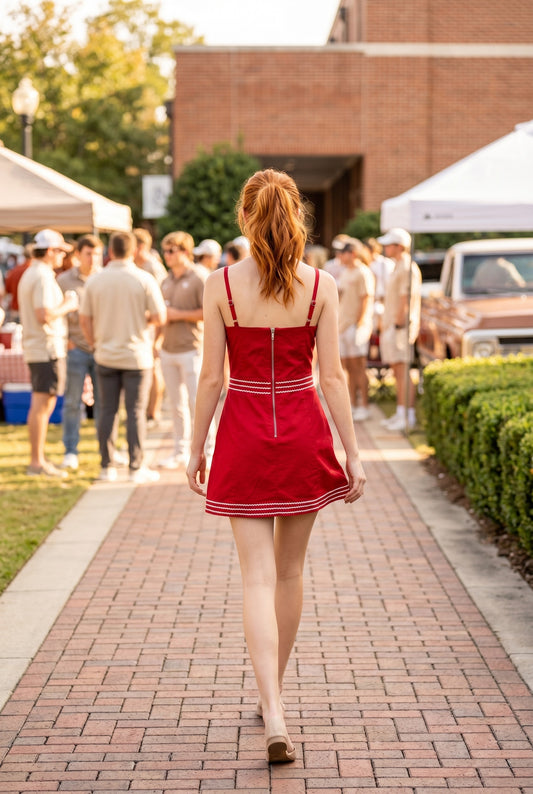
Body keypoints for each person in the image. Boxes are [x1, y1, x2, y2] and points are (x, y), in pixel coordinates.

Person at [186, 169, 366, 764]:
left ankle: (274, 708)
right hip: (302, 431)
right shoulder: (321, 285)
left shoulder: (221, 285)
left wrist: (195, 447)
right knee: (289, 575)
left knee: (256, 577)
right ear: (297, 216)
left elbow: (211, 376)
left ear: (245, 217)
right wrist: (352, 451)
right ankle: (275, 703)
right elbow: (333, 377)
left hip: (241, 430)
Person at [79, 231, 167, 483]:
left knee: (106, 410)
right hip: (136, 355)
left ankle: (106, 466)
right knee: (136, 411)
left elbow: (84, 318)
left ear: (110, 251)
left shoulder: (95, 280)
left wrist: (94, 342)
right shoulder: (143, 278)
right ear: (133, 251)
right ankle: (135, 467)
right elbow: (160, 317)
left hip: (106, 353)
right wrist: (143, 319)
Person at [18, 229, 79, 477]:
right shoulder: (42, 275)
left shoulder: (33, 272)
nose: (63, 256)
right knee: (43, 404)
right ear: (51, 250)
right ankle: (37, 462)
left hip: (40, 347)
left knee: (42, 404)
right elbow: (44, 315)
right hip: (45, 348)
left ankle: (38, 458)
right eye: (61, 251)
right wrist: (68, 304)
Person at [157, 231, 215, 468]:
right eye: (165, 251)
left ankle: (209, 451)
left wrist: (177, 315)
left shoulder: (200, 277)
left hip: (192, 348)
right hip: (168, 348)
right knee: (175, 404)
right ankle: (180, 450)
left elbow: (210, 312)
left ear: (185, 252)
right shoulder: (165, 279)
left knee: (198, 402)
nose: (167, 255)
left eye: (172, 251)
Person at [57, 235, 103, 470]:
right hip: (76, 348)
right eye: (88, 253)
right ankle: (70, 450)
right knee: (73, 402)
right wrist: (66, 340)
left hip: (102, 349)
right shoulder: (63, 280)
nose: (93, 258)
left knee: (105, 403)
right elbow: (57, 312)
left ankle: (106, 450)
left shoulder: (106, 278)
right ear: (78, 255)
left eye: (96, 253)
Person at [377, 227, 422, 431]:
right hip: (394, 326)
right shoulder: (399, 265)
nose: (385, 247)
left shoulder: (406, 267)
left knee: (403, 370)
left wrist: (397, 324)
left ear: (399, 246)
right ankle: (401, 411)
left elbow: (405, 299)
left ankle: (407, 416)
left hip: (400, 327)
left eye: (389, 244)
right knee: (397, 370)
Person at [133, 227, 167, 427]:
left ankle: (154, 412)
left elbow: (162, 303)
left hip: (154, 325)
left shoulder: (153, 268)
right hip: (140, 326)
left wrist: (160, 337)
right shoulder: (137, 265)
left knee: (154, 368)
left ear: (141, 246)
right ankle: (147, 410)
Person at [338, 239, 375, 421]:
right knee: (349, 368)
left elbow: (365, 299)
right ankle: (352, 404)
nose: (340, 256)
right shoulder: (345, 272)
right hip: (343, 325)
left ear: (351, 253)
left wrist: (359, 323)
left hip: (355, 326)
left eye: (343, 253)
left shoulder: (363, 272)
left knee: (359, 366)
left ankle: (365, 406)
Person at [4, 244, 32, 323]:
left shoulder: (15, 271)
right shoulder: (34, 272)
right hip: (30, 313)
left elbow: (7, 290)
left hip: (16, 311)